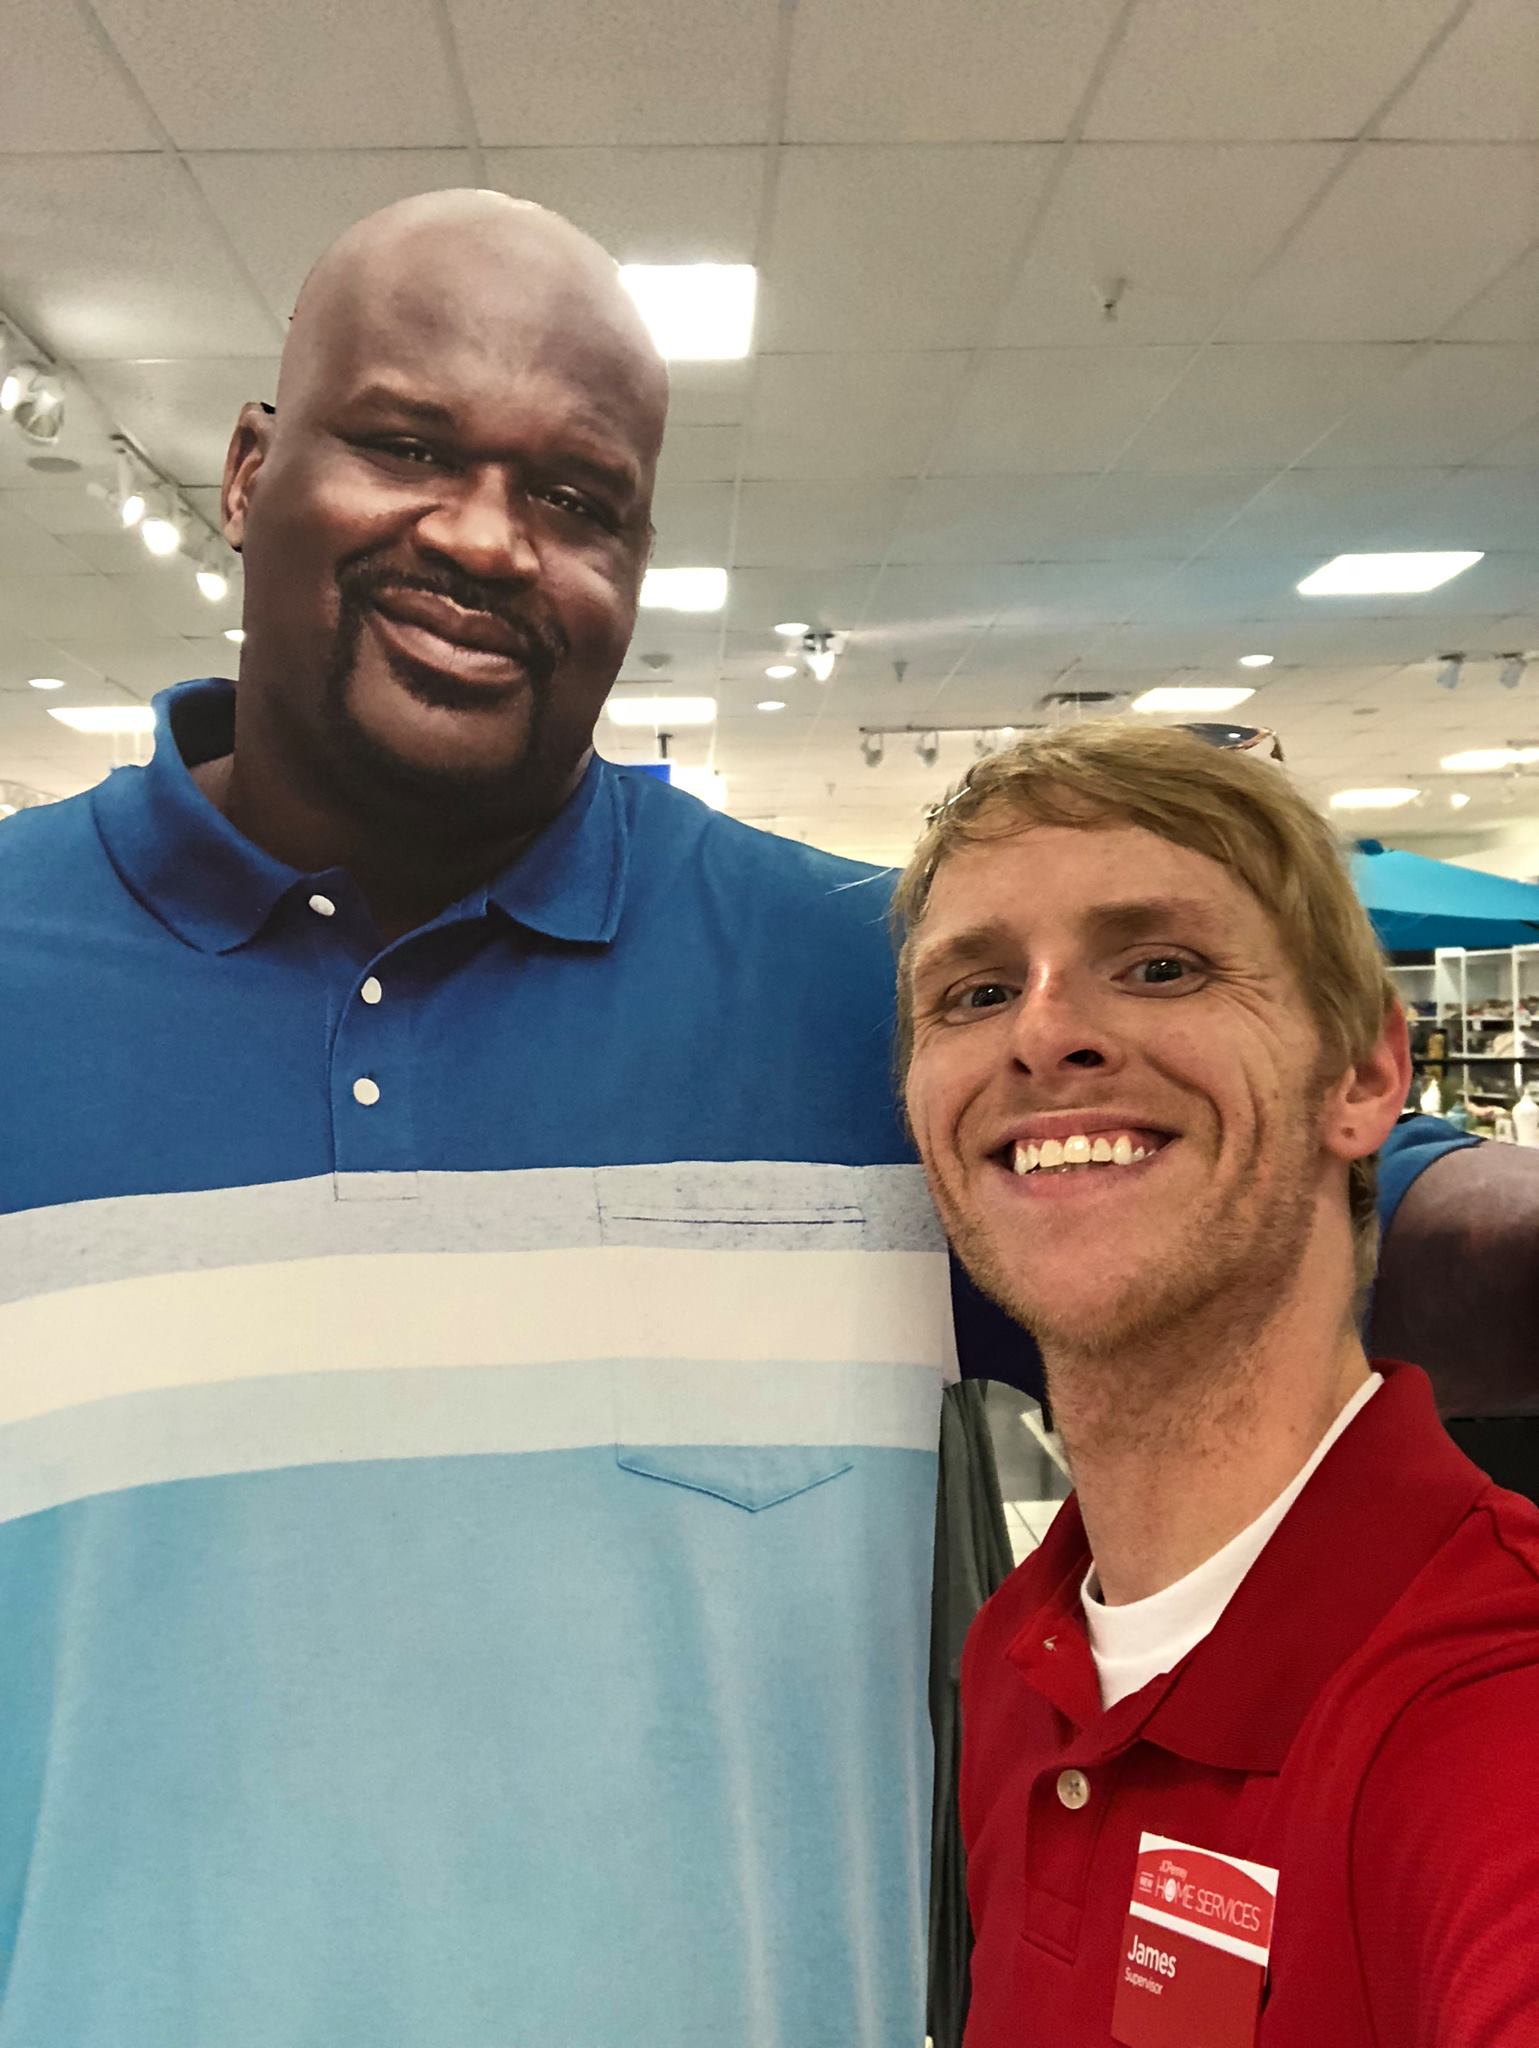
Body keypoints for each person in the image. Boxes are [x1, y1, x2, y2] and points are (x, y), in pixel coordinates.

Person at [0, 189, 1500, 2043]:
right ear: (247, 470)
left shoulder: (874, 989)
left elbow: (1319, 1217)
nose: (484, 537)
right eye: (407, 445)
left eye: (577, 498)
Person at [897, 721, 1539, 2047]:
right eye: (976, 992)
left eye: (1161, 966)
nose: (1044, 1034)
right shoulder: (1023, 1662)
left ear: (1363, 1075)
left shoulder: (1490, 1701)